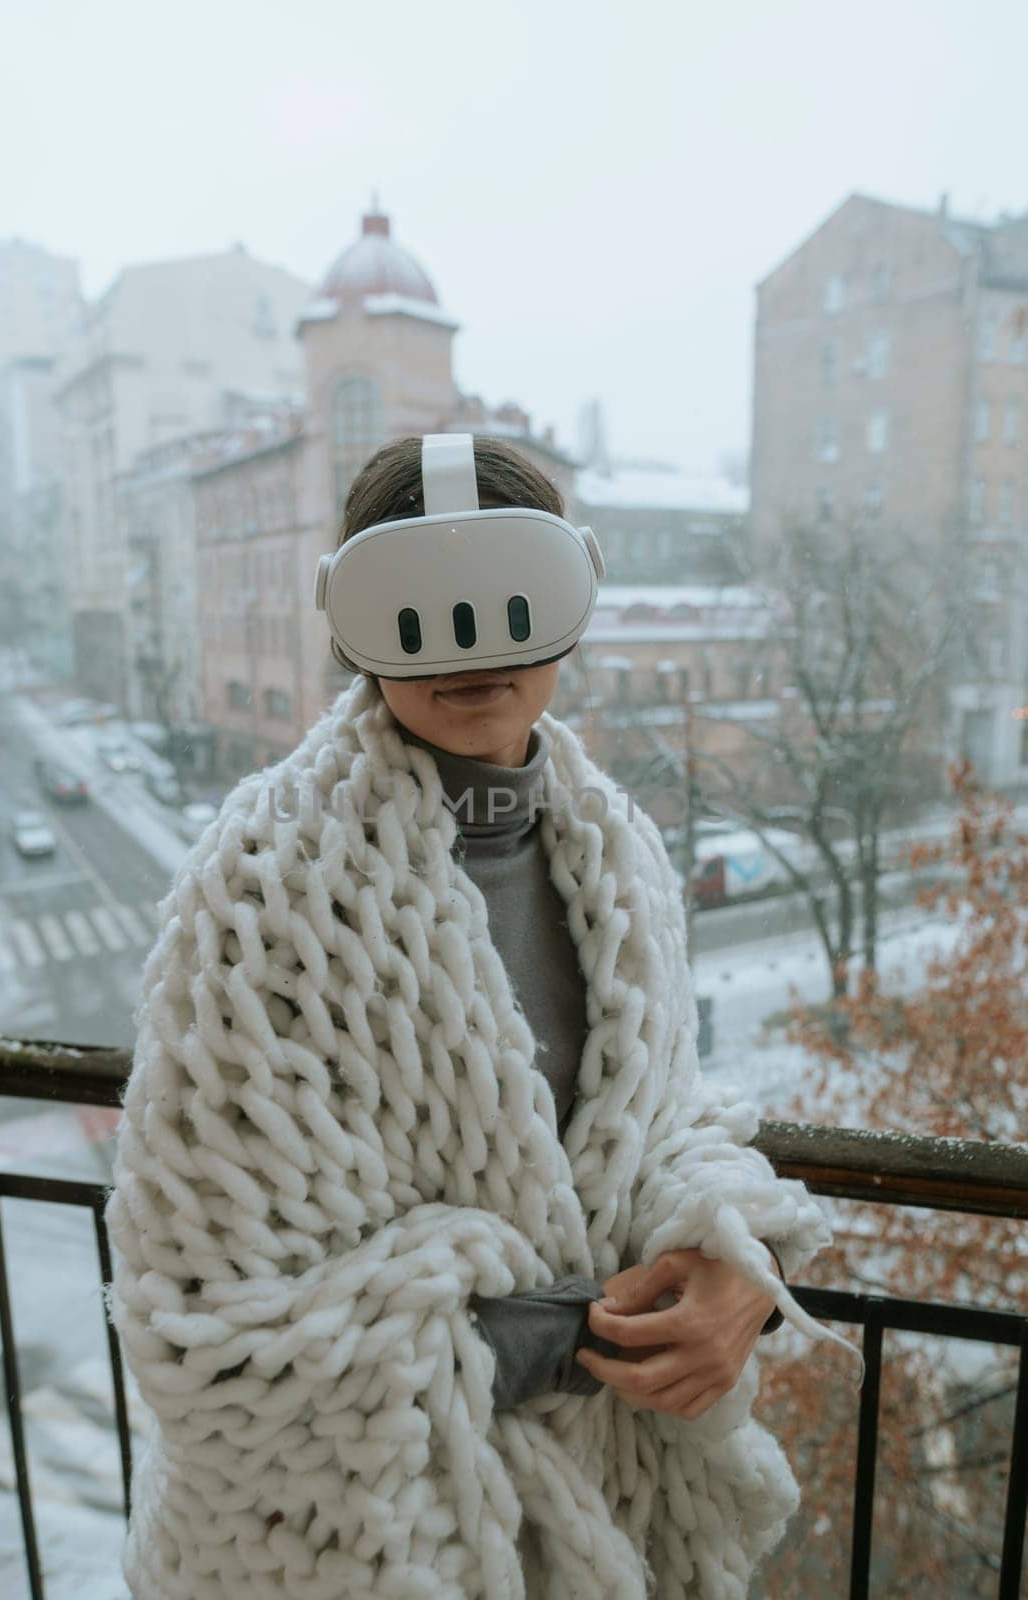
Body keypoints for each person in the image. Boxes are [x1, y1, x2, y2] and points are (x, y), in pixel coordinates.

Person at [106, 435, 863, 1600]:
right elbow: (214, 1328)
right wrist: (597, 1333)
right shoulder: (261, 896)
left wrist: (731, 1267)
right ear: (349, 613)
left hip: (616, 1515)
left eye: (514, 599)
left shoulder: (617, 853)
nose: (469, 648)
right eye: (412, 604)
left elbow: (661, 1127)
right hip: (356, 1550)